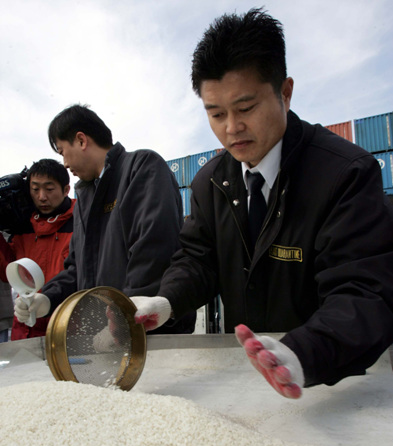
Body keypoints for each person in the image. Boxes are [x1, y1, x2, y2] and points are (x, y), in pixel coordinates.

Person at [128, 8, 393, 398]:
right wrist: (167, 301)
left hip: (330, 382)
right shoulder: (211, 181)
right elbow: (198, 260)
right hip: (247, 377)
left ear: (284, 92)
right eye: (216, 114)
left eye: (246, 109)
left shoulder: (345, 175)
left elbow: (363, 292)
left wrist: (302, 353)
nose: (231, 128)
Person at [14, 104, 195, 334]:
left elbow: (153, 252)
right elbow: (77, 269)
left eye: (62, 152)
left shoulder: (141, 168)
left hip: (149, 332)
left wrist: (123, 320)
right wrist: (47, 298)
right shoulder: (84, 198)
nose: (65, 164)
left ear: (81, 140)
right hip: (107, 337)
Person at [0, 159, 75, 340]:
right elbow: (6, 273)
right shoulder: (21, 225)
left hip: (67, 330)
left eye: (49, 189)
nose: (42, 197)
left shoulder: (81, 221)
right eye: (35, 189)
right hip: (25, 329)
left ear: (66, 189)